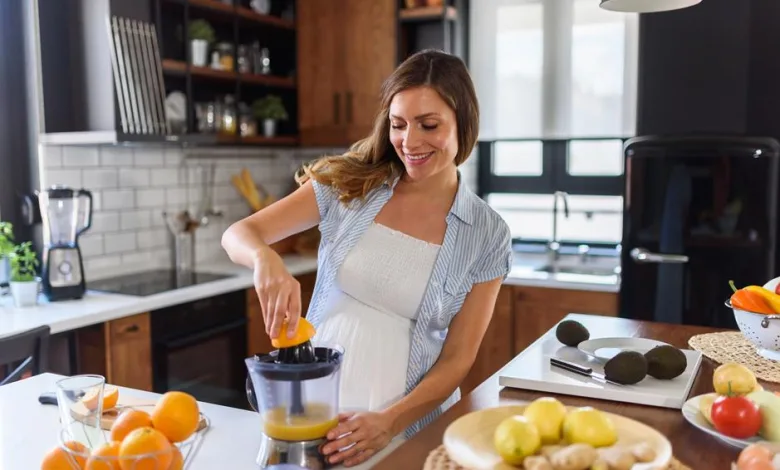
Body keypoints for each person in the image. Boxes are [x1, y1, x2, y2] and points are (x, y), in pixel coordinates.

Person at [221, 49, 512, 467]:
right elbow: (238, 234)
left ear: (463, 123)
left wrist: (389, 422)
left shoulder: (487, 233)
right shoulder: (352, 184)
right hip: (313, 418)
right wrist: (265, 260)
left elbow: (457, 359)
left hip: (406, 428)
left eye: (429, 125)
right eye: (398, 125)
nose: (409, 142)